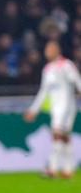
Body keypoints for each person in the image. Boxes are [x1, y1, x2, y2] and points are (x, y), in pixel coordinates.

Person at [24, 41, 81, 179]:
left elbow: (77, 80)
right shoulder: (48, 69)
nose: (47, 52)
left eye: (49, 49)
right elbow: (43, 91)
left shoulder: (66, 65)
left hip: (67, 106)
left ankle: (52, 168)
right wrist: (33, 110)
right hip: (56, 107)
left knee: (57, 134)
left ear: (56, 50)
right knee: (65, 136)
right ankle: (68, 169)